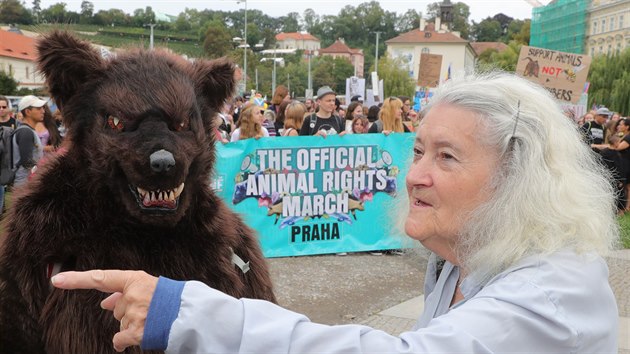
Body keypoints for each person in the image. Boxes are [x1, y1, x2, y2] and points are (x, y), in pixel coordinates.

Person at [51, 72, 619, 353]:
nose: (415, 174)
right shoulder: (463, 262)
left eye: (446, 157)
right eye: (418, 150)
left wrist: (184, 312)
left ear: (518, 179)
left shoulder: (549, 298)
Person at [13, 95, 46, 187]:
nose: (43, 111)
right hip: (25, 184)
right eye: (39, 108)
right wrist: (46, 167)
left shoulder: (28, 130)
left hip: (28, 182)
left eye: (43, 108)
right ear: (28, 111)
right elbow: (27, 162)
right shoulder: (25, 132)